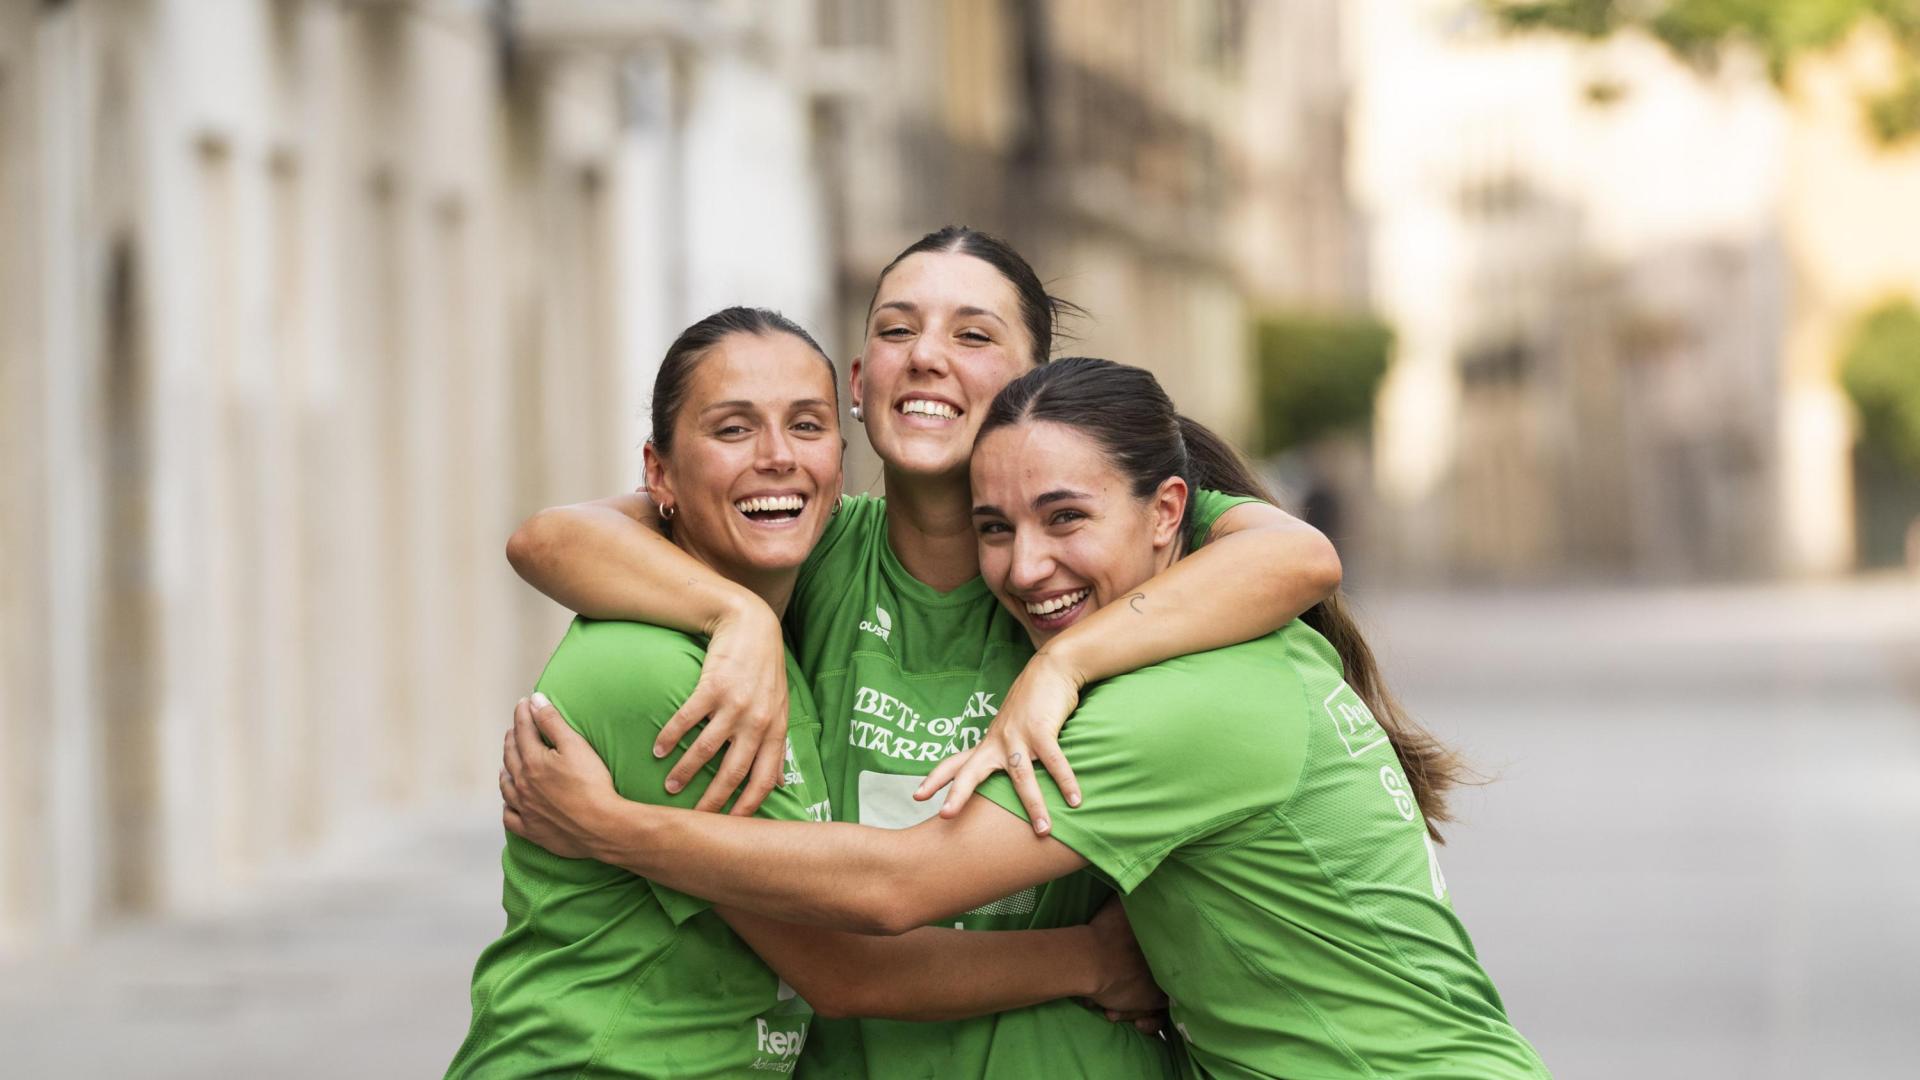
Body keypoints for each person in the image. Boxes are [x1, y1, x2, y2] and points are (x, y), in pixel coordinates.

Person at [502, 357, 1552, 1079]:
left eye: (1066, 520)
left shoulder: (1187, 703)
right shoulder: (1232, 635)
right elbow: (563, 532)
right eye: (994, 528)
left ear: (1171, 513)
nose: (1025, 567)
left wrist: (615, 831)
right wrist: (731, 604)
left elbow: (892, 885)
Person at [503, 227, 1344, 1077]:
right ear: (861, 389)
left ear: (1032, 393)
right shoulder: (798, 548)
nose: (928, 357)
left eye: (973, 335)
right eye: (898, 330)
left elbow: (1299, 558)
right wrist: (737, 615)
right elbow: (552, 538)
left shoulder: (1105, 556)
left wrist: (1065, 661)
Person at [448, 314, 1166, 1080]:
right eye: (732, 429)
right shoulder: (659, 671)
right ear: (657, 473)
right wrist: (1095, 958)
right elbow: (846, 964)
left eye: (806, 425)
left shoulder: (768, 639)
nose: (778, 457)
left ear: (841, 460)